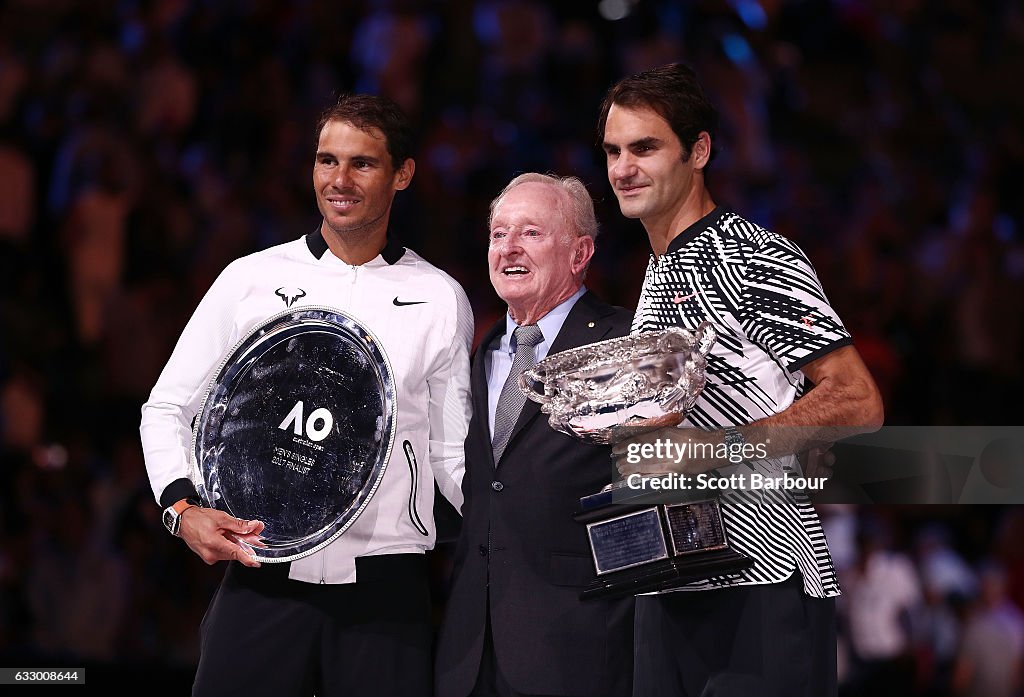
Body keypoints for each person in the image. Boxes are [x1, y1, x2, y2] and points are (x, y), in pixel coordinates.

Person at [139, 93, 473, 697]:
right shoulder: (251, 279)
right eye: (326, 160)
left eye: (362, 164)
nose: (338, 180)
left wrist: (518, 528)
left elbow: (452, 456)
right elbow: (166, 407)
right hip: (261, 571)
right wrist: (182, 510)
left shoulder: (440, 299)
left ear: (403, 173)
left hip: (385, 592)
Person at [597, 63, 884, 696]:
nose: (623, 168)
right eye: (614, 150)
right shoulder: (656, 272)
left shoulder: (744, 253)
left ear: (698, 151)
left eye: (646, 147)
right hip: (673, 580)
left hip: (763, 581)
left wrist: (715, 453)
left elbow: (857, 399)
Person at [435, 173, 634, 697]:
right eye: (499, 234)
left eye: (531, 233)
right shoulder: (481, 353)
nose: (509, 248)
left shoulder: (620, 343)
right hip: (469, 651)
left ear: (580, 253)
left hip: (578, 642)